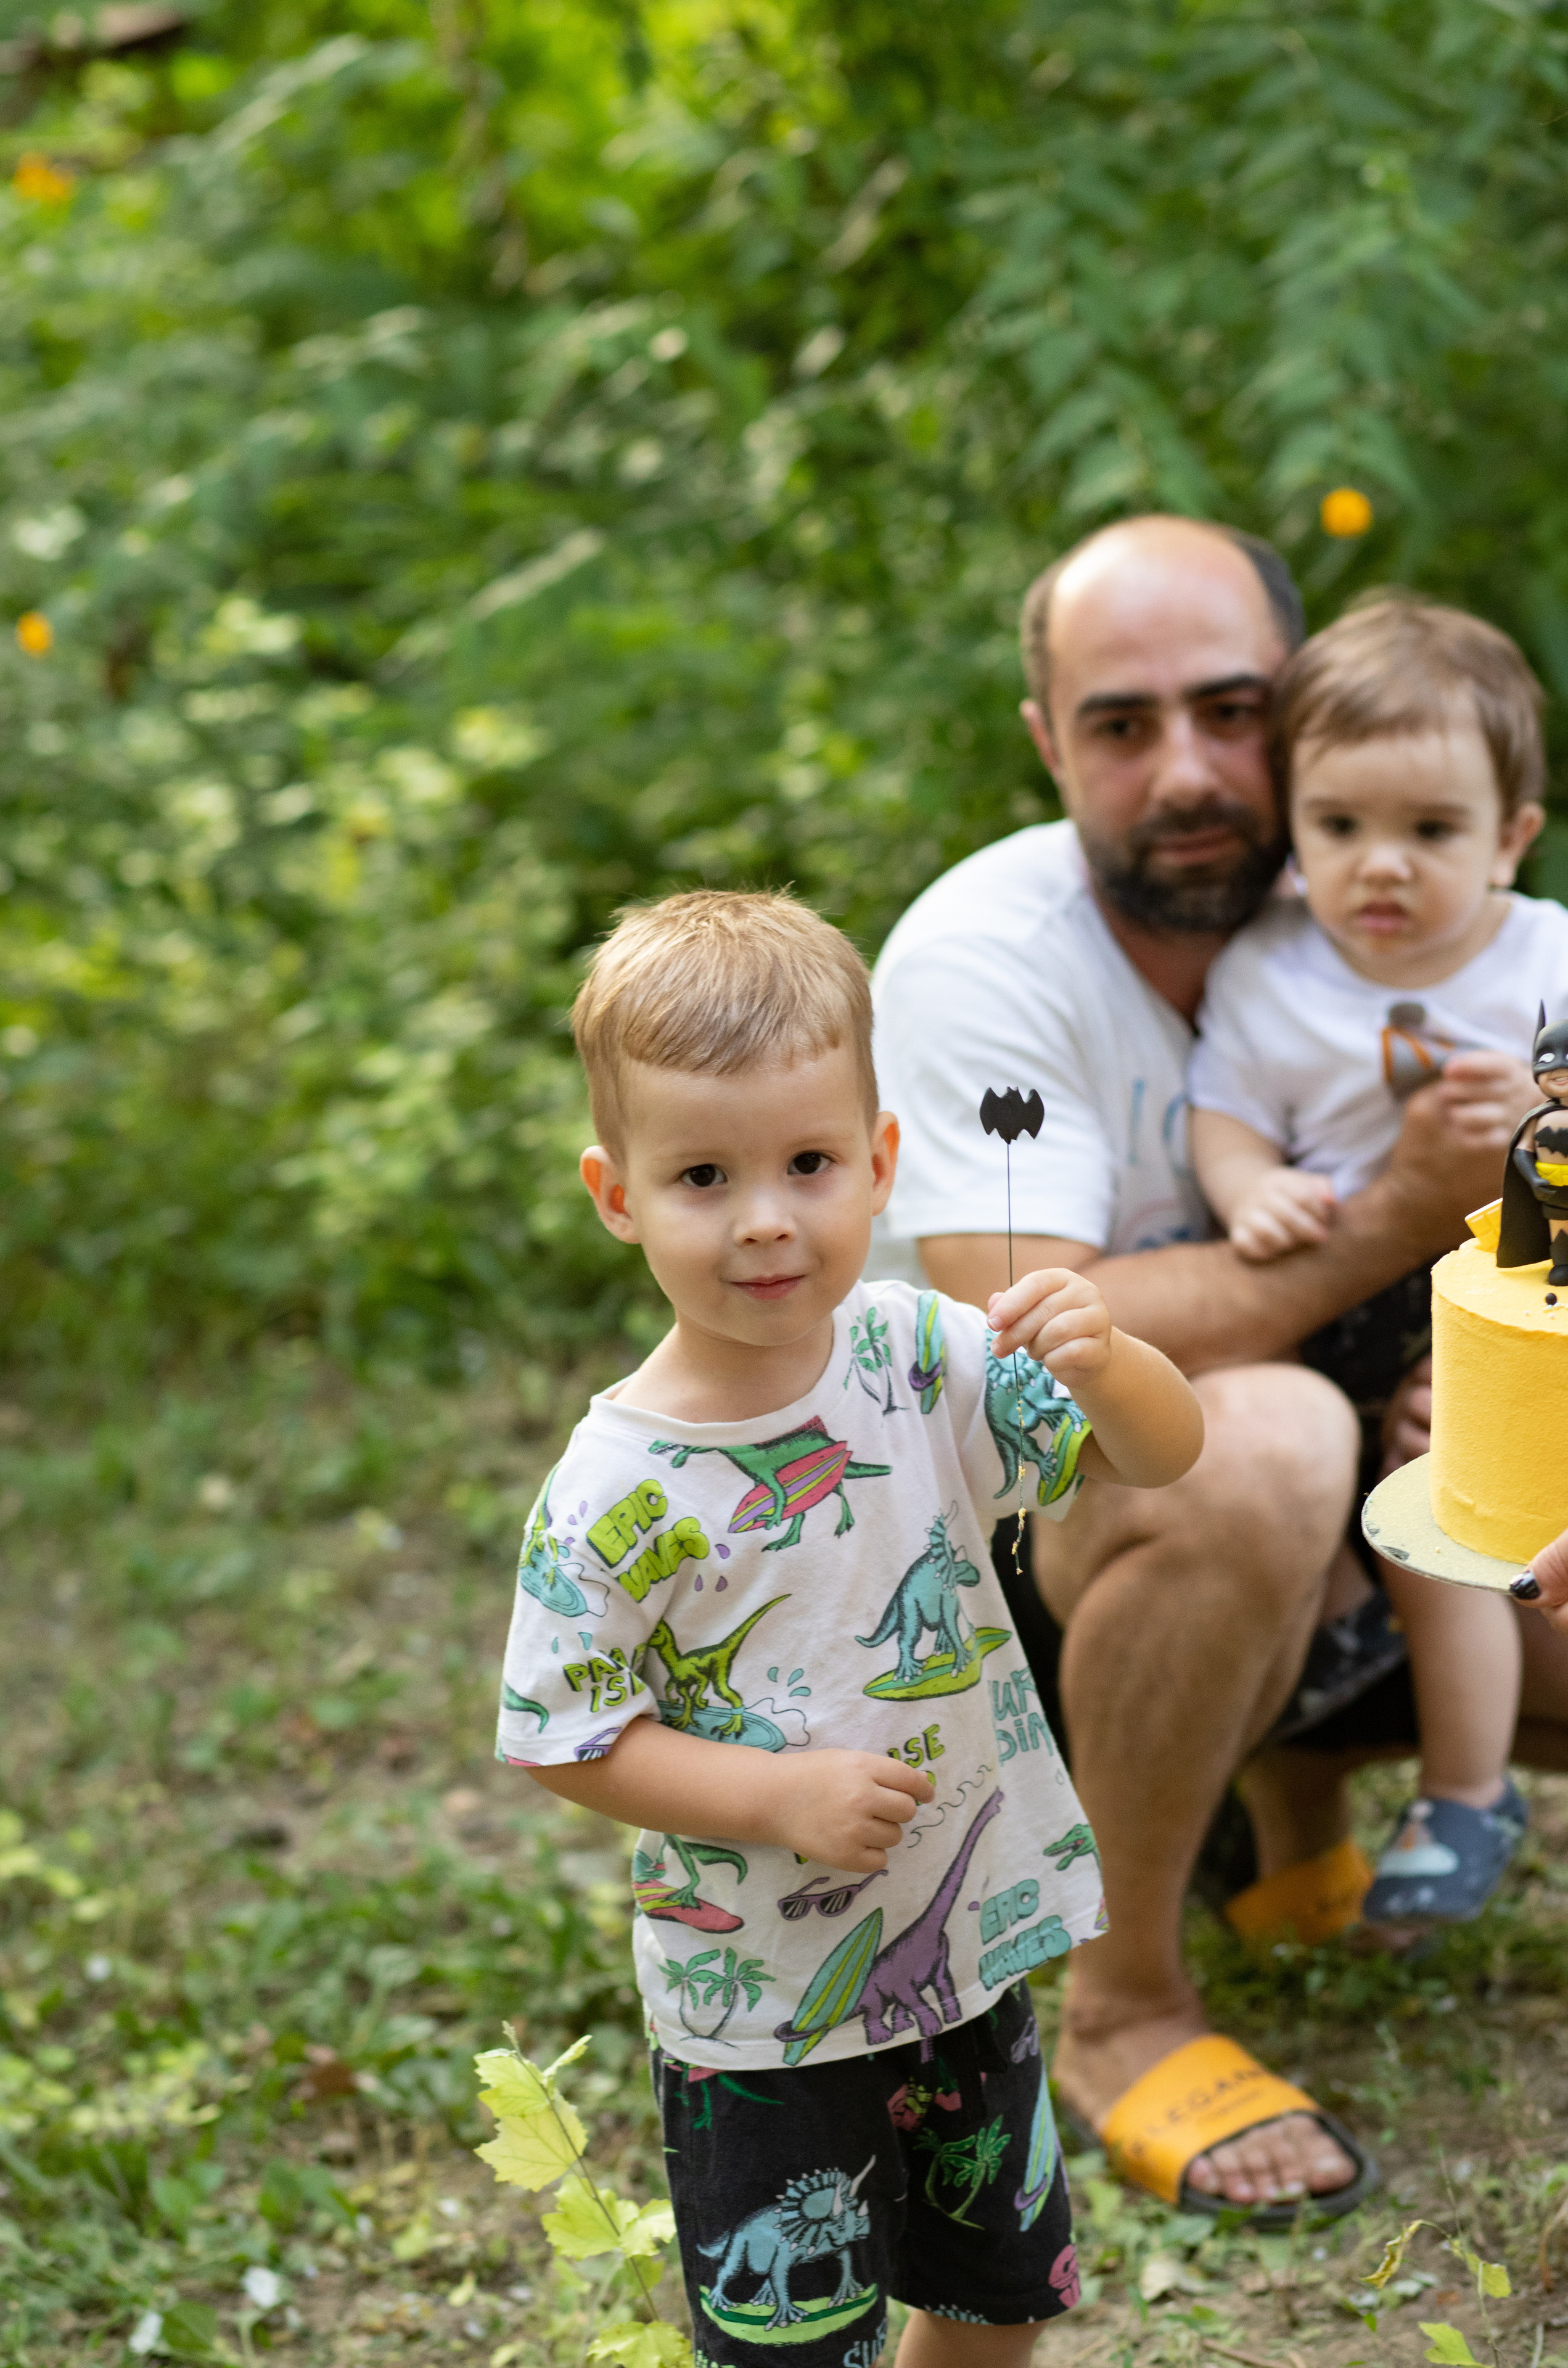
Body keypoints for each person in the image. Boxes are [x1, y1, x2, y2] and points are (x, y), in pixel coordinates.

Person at [870, 515, 1529, 2219]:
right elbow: (1038, 1342)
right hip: (979, 1590)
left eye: (1233, 712)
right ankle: (1122, 2005)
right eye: (1121, 723)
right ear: (1044, 744)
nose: (1188, 769)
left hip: (1377, 1530)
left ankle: (1287, 1799)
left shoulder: (1398, 900)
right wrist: (1397, 1210)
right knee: (1261, 1441)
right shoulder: (987, 963)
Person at [496, 889, 1203, 2368]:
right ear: (615, 1194)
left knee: (994, 2291)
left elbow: (1158, 1460)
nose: (765, 1218)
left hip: (966, 1941)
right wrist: (772, 1797)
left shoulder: (917, 1354)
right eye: (701, 1175)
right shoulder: (616, 1484)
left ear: (878, 1164)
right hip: (757, 2005)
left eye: (808, 1162)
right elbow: (563, 1738)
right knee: (793, 2341)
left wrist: (1114, 1357)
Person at [1188, 596, 1565, 1927]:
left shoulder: (1544, 960)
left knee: (1434, 1510)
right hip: (1324, 1292)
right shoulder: (1268, 969)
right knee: (1296, 1536)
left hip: (1502, 1296)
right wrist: (1253, 1190)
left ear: (1509, 837)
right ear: (1290, 824)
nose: (1380, 868)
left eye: (1429, 831)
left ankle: (1463, 1791)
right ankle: (1272, 1824)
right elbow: (1222, 1113)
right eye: (1339, 827)